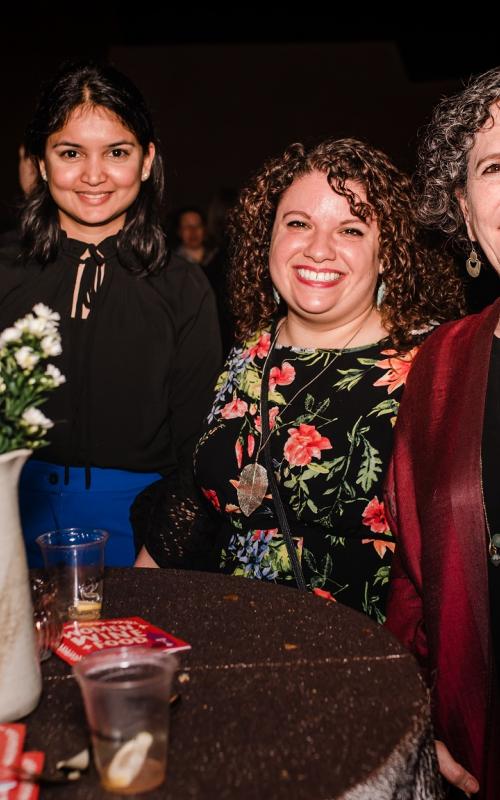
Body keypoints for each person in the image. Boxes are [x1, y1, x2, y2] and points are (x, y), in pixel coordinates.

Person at [134, 137, 464, 623]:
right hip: (235, 643)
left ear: (388, 253)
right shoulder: (250, 353)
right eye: (298, 223)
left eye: (351, 230)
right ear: (267, 238)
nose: (319, 249)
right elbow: (193, 507)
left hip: (368, 665)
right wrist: (128, 616)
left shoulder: (433, 368)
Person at [0, 60, 221, 567]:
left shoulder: (183, 288)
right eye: (70, 152)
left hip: (137, 531)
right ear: (40, 160)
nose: (94, 175)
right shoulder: (5, 272)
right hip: (11, 519)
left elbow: (199, 452)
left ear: (146, 161)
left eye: (116, 152)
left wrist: (158, 556)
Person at [384, 68, 500, 799]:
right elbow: (414, 578)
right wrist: (415, 713)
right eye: (495, 167)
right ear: (462, 205)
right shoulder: (445, 364)